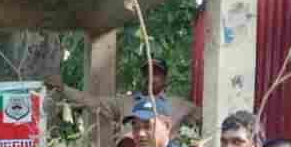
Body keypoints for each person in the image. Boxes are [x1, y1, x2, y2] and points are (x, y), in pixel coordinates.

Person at [44, 58, 201, 134]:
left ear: (165, 79)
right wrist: (63, 88)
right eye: (146, 73)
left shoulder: (179, 105)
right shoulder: (126, 102)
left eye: (156, 73)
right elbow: (91, 102)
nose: (150, 77)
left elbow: (207, 118)